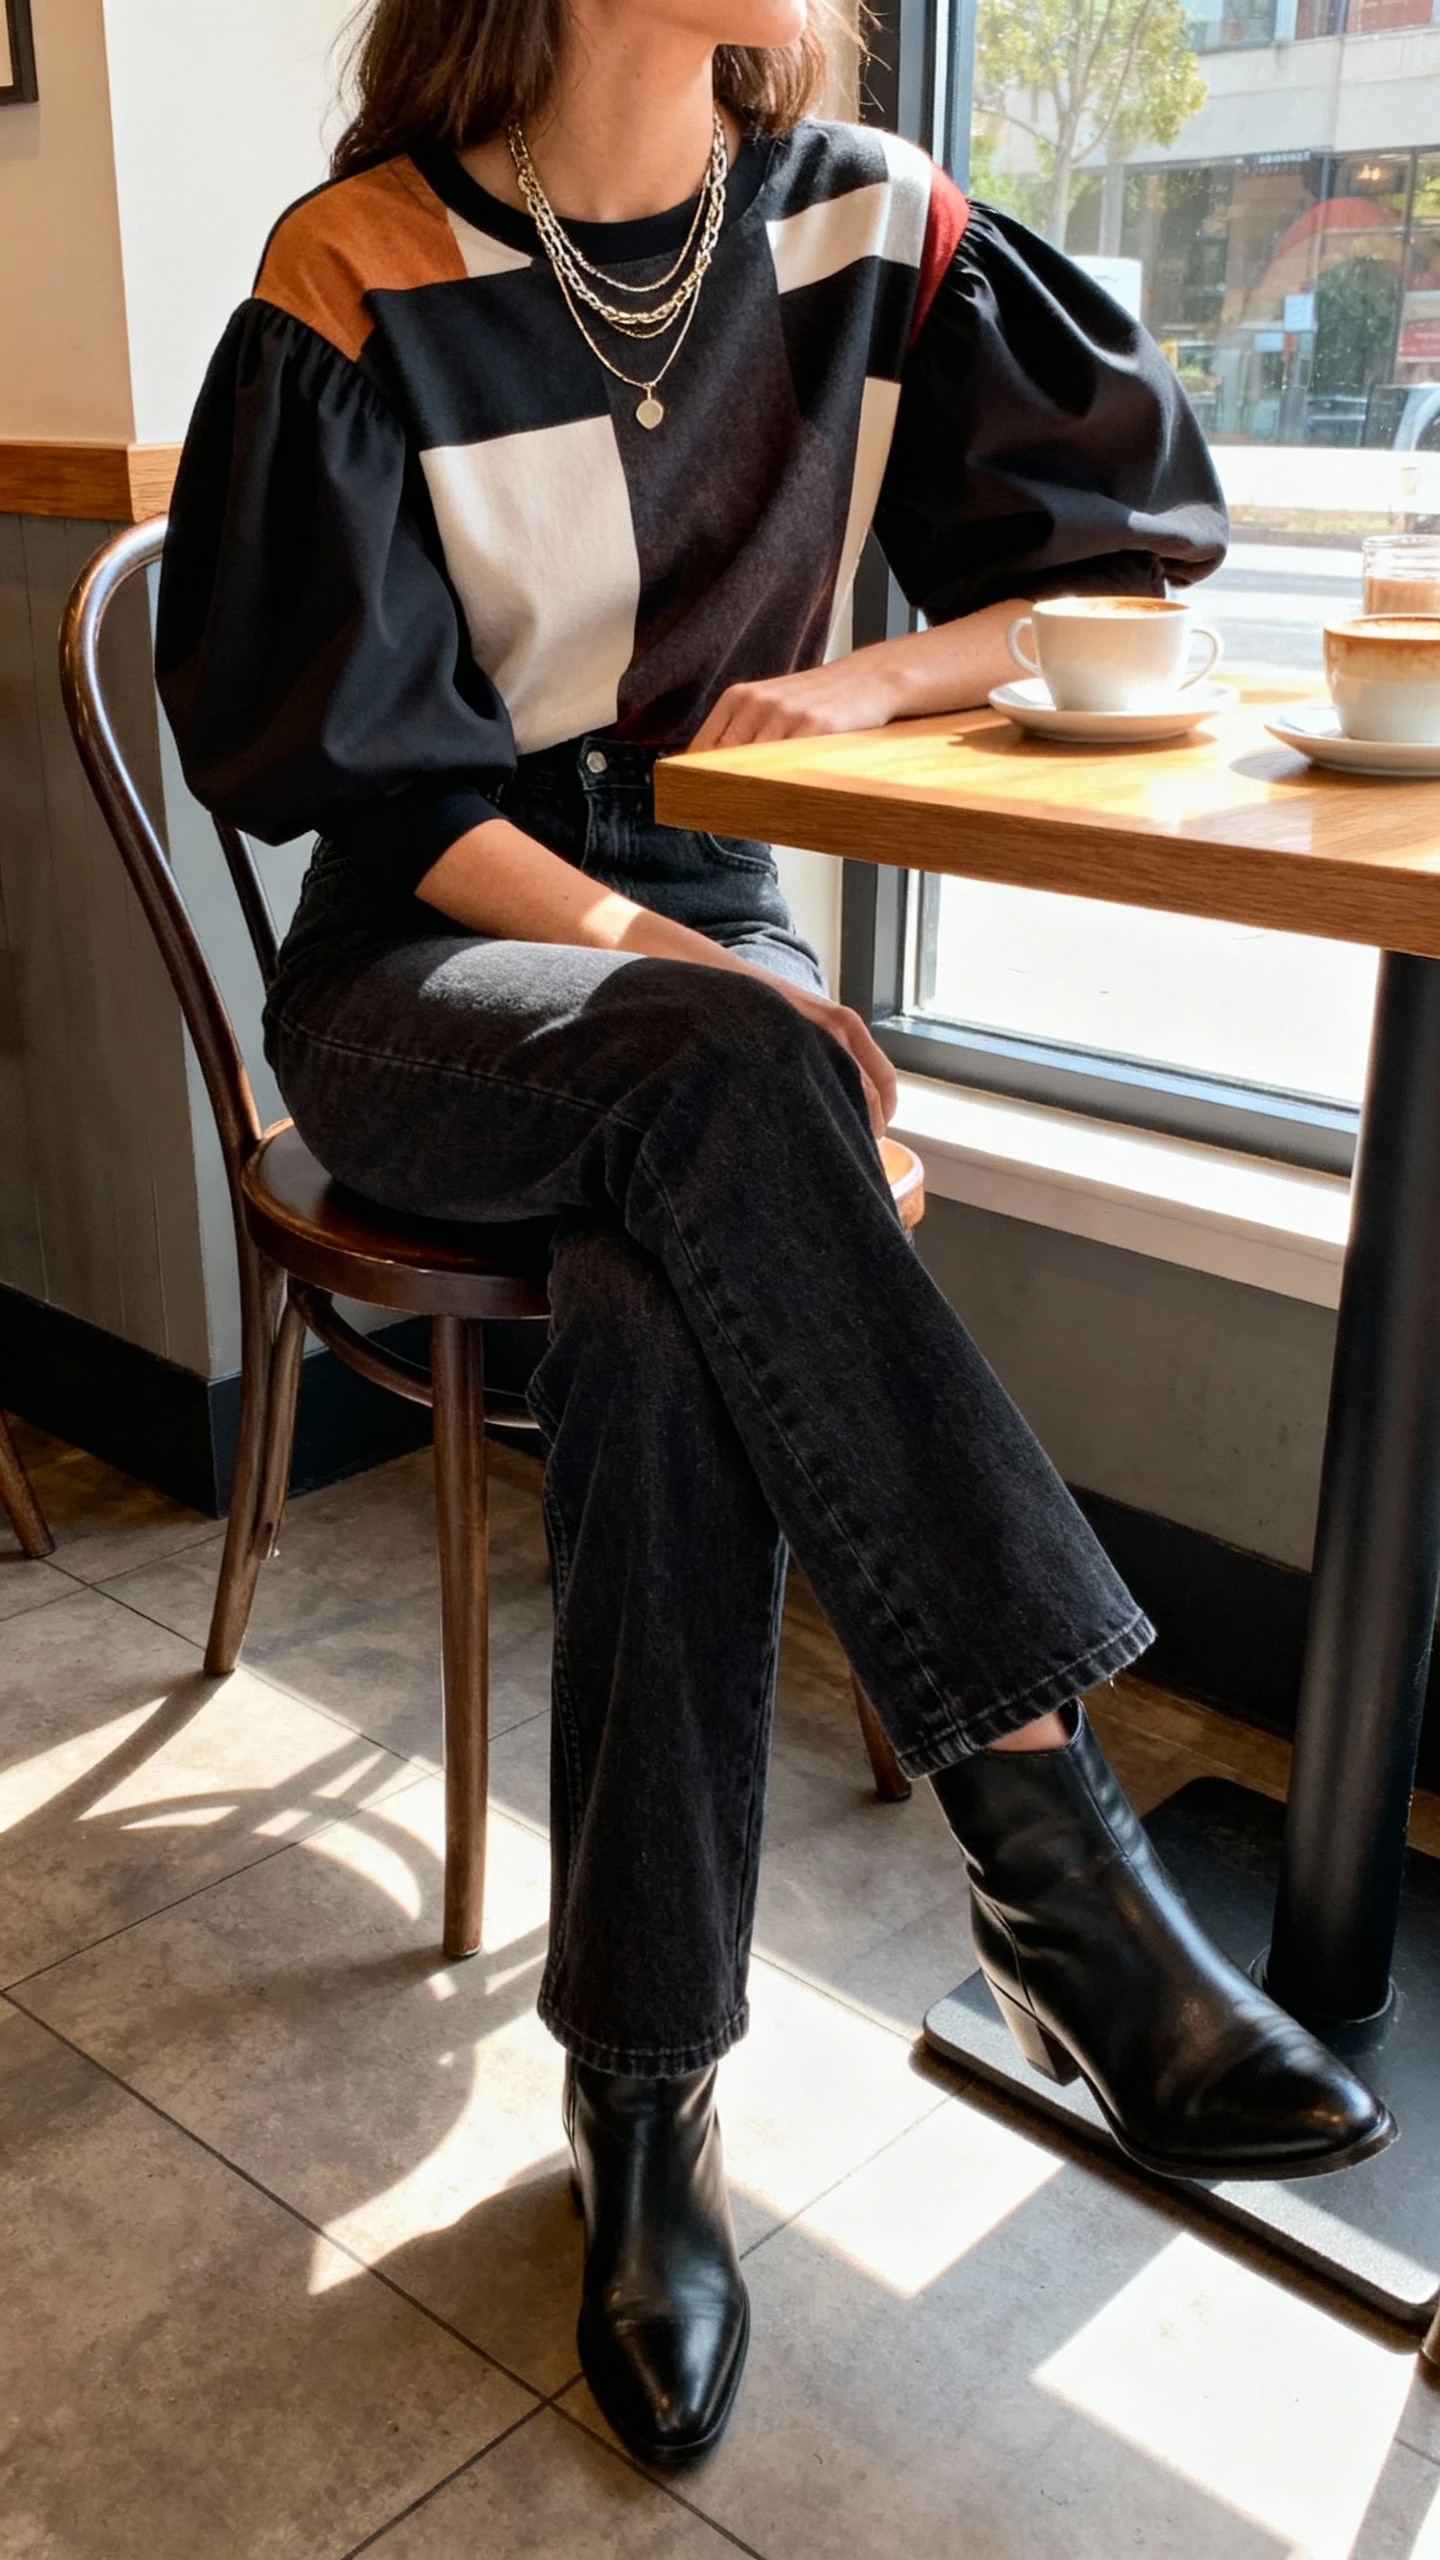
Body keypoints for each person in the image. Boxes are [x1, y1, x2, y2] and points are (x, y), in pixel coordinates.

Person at [156, 0, 1391, 2468]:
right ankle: (1055, 1856)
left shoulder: (862, 221)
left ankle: (643, 2110)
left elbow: (1129, 539)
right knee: (728, 1083)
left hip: (715, 942)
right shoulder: (358, 270)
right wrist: (691, 968)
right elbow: (365, 793)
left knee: (656, 1297)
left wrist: (851, 692)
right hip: (435, 963)